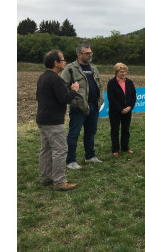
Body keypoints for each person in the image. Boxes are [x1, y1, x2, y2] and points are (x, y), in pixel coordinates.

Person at [36, 50, 79, 191]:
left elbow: (39, 97)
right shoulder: (56, 79)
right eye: (63, 59)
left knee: (46, 150)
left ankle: (45, 177)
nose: (65, 62)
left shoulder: (42, 77)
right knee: (60, 150)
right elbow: (64, 100)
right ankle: (60, 181)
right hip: (54, 122)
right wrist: (74, 90)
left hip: (42, 119)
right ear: (56, 63)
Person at [61, 44, 104, 169]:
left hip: (94, 106)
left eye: (91, 53)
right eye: (87, 53)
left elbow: (100, 85)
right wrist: (74, 102)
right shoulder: (70, 68)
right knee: (74, 134)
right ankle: (70, 161)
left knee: (91, 132)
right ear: (79, 54)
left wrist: (100, 100)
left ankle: (90, 156)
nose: (90, 55)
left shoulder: (93, 68)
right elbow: (63, 86)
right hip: (78, 108)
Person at [107, 63, 137, 157]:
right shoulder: (111, 83)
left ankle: (125, 147)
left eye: (125, 71)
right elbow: (111, 98)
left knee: (126, 130)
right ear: (116, 72)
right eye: (121, 71)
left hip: (128, 111)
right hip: (115, 111)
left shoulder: (129, 82)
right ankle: (115, 149)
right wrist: (120, 109)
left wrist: (130, 107)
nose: (124, 73)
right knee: (115, 130)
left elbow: (133, 96)